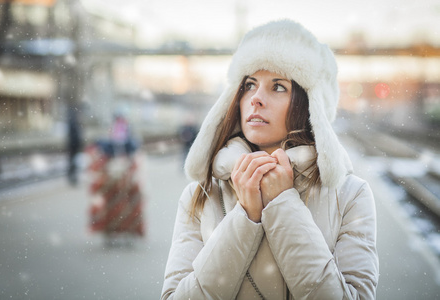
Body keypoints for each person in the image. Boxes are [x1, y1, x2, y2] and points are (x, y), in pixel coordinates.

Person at [161, 20, 379, 300]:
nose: (256, 99)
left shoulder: (349, 196)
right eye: (249, 84)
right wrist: (245, 218)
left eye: (278, 87)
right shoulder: (201, 194)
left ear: (310, 105)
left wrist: (283, 205)